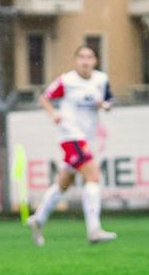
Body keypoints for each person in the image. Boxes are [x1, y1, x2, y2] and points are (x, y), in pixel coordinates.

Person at [26, 44, 116, 245]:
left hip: (87, 138)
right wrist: (54, 114)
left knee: (63, 183)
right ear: (76, 61)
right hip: (70, 135)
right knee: (93, 176)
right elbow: (44, 98)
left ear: (95, 61)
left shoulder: (101, 80)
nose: (85, 61)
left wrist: (104, 105)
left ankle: (38, 220)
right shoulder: (67, 81)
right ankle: (94, 230)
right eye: (82, 57)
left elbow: (110, 102)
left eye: (89, 57)